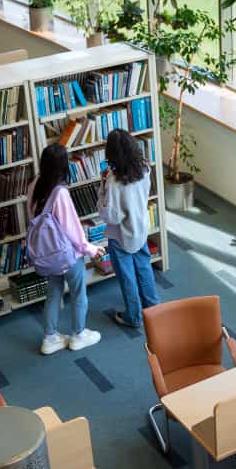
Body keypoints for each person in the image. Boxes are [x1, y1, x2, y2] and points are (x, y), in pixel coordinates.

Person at [28, 144, 105, 354]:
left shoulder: (34, 183)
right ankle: (78, 335)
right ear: (63, 166)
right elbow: (72, 229)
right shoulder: (60, 193)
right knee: (79, 293)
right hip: (67, 255)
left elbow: (33, 217)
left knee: (53, 294)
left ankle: (49, 338)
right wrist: (90, 249)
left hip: (47, 255)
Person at [97, 128, 159, 327]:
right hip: (140, 227)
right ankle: (154, 310)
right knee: (144, 268)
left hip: (121, 235)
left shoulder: (113, 181)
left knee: (127, 277)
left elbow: (111, 216)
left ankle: (133, 316)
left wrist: (102, 187)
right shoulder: (144, 168)